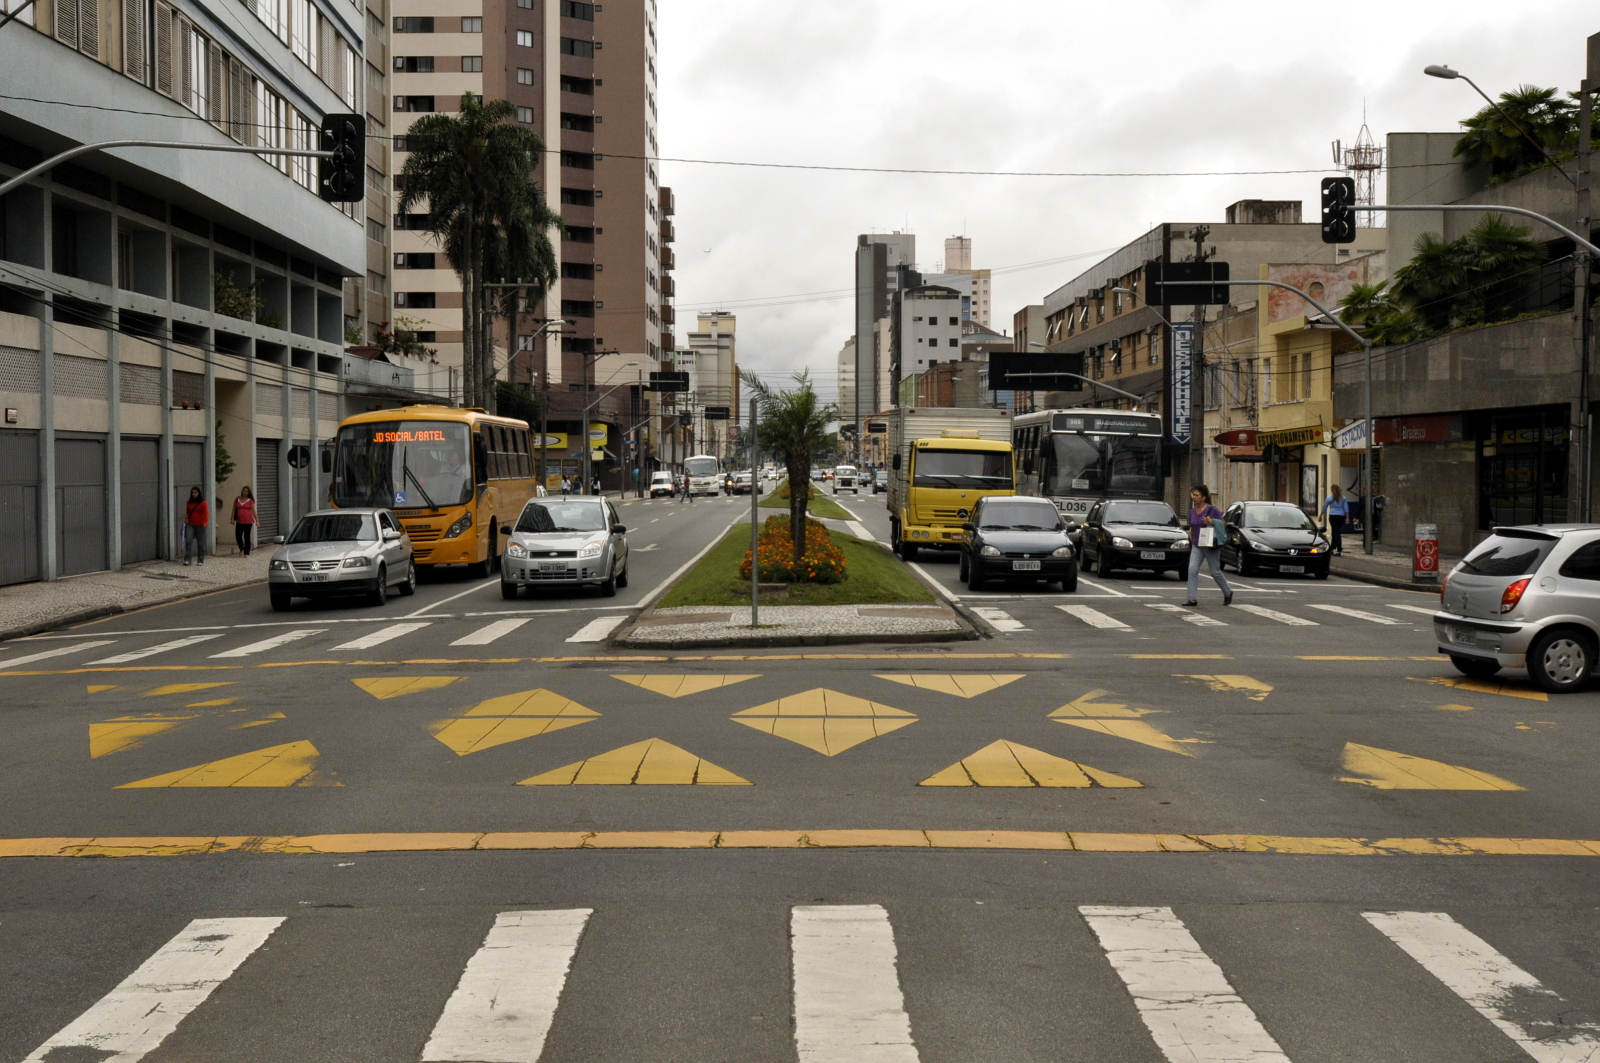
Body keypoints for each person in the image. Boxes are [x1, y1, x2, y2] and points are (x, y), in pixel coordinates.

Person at [1185, 484, 1232, 607]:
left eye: (1197, 495)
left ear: (1204, 497)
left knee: (1215, 572)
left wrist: (1211, 521)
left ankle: (1228, 591)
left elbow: (1224, 524)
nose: (1194, 497)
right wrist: (1192, 539)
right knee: (1192, 570)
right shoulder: (1192, 511)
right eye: (1193, 495)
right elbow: (1193, 528)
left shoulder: (1212, 510)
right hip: (1197, 545)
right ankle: (1192, 598)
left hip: (1210, 544)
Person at [183, 486, 209, 566]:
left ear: (199, 493)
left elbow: (206, 514)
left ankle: (200, 560)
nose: (194, 494)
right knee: (188, 541)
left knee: (200, 543)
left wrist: (205, 523)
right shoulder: (189, 502)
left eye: (195, 492)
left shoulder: (203, 503)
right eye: (192, 493)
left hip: (200, 525)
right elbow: (188, 512)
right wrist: (186, 516)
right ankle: (187, 559)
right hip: (191, 524)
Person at [1322, 484, 1350, 556]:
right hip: (1341, 516)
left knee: (1336, 532)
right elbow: (1346, 508)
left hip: (1333, 516)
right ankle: (1332, 548)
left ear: (1331, 490)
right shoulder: (1343, 498)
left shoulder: (1329, 498)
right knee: (1336, 531)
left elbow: (1324, 507)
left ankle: (1339, 549)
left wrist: (1320, 516)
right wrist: (1347, 518)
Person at [230, 486, 257, 557]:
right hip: (239, 520)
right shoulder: (237, 499)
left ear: (248, 493)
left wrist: (257, 520)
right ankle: (241, 548)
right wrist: (232, 518)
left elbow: (253, 511)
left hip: (248, 521)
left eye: (246, 491)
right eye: (244, 491)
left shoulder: (250, 500)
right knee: (238, 535)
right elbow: (233, 509)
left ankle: (246, 552)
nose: (244, 493)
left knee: (247, 536)